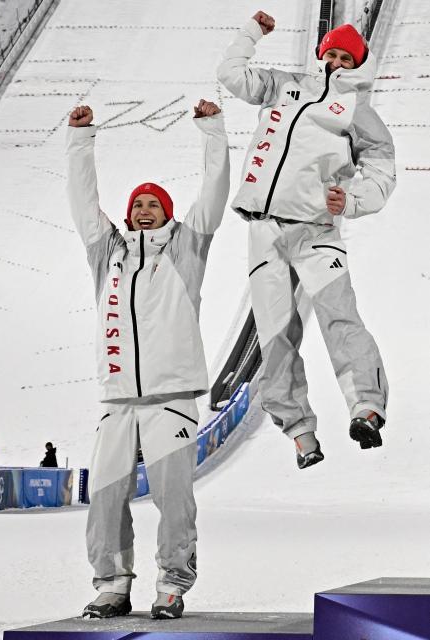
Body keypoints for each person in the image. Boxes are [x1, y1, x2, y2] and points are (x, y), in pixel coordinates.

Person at [66, 99, 229, 618]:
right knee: (105, 502)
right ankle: (112, 584)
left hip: (172, 399)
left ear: (169, 213)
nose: (143, 209)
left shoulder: (187, 249)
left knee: (173, 499)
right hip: (117, 402)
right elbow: (82, 201)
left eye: (153, 204)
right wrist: (80, 139)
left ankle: (172, 584)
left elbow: (214, 192)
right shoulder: (106, 254)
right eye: (137, 203)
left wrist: (211, 129)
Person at [217, 13, 395, 469]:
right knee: (275, 334)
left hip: (316, 231)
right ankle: (299, 432)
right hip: (263, 229)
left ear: (357, 65)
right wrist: (252, 32)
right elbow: (231, 75)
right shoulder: (283, 85)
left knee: (340, 317)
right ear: (321, 54)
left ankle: (367, 409)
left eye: (345, 58)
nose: (335, 62)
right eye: (331, 53)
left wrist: (350, 200)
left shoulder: (358, 112)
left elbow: (382, 172)